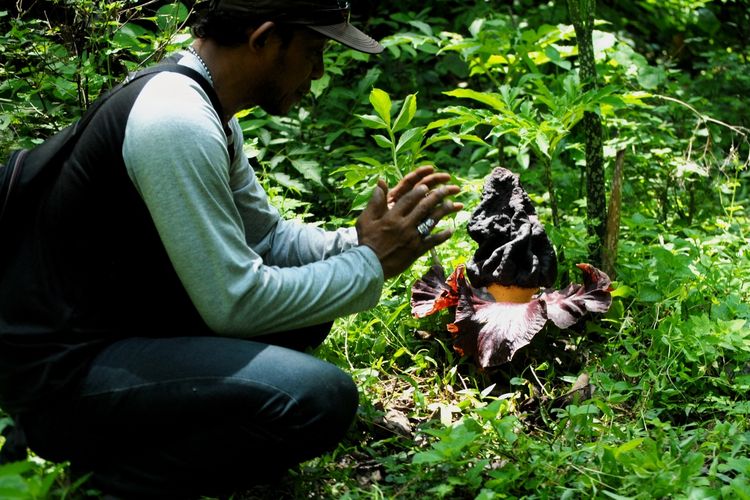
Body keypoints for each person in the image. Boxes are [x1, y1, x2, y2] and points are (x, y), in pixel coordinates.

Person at [0, 0, 462, 497]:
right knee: (319, 396)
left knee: (306, 312)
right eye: (312, 51)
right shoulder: (175, 119)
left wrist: (362, 241)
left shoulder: (203, 103)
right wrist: (369, 263)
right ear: (263, 39)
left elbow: (267, 239)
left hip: (117, 337)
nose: (319, 72)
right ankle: (101, 485)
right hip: (62, 378)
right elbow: (234, 302)